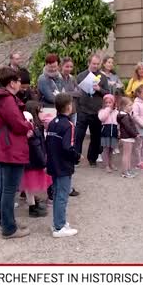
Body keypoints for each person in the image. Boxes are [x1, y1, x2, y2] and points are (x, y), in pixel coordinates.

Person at [0, 66, 33, 239]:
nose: (20, 84)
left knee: (2, 188)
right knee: (8, 190)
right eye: (18, 81)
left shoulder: (2, 97)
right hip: (10, 149)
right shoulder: (7, 100)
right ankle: (9, 228)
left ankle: (7, 222)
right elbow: (17, 124)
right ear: (11, 83)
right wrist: (29, 125)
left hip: (4, 148)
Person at [46, 93, 81, 238]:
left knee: (57, 194)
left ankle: (58, 222)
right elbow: (68, 147)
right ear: (68, 107)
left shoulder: (53, 122)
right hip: (63, 166)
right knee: (62, 196)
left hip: (53, 163)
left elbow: (48, 142)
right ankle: (59, 227)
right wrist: (77, 157)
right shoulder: (68, 125)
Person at [75, 54, 109, 167]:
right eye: (93, 63)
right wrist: (77, 108)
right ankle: (76, 158)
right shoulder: (81, 76)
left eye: (97, 64)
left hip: (96, 111)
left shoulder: (102, 77)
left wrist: (99, 89)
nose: (95, 66)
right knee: (78, 136)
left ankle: (92, 158)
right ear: (89, 63)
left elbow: (107, 93)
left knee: (96, 137)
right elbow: (76, 93)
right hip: (83, 110)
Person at [20, 101, 50, 218]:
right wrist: (43, 161)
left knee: (29, 186)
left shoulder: (34, 128)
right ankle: (32, 208)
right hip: (33, 161)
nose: (41, 113)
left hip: (30, 160)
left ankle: (33, 204)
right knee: (30, 186)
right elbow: (36, 146)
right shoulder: (33, 130)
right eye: (39, 111)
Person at [117, 97, 138, 178]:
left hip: (128, 137)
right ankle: (125, 172)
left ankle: (128, 170)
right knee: (126, 155)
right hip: (127, 138)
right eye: (129, 105)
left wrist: (135, 133)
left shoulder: (125, 115)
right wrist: (135, 134)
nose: (131, 107)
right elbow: (128, 127)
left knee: (128, 155)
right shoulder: (125, 116)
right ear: (124, 106)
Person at [98, 94, 119, 173]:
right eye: (106, 103)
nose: (108, 104)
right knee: (106, 149)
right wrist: (107, 110)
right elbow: (101, 118)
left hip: (114, 131)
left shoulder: (116, 112)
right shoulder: (102, 111)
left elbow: (119, 122)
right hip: (105, 132)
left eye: (110, 102)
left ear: (113, 103)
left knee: (111, 149)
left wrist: (119, 130)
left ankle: (111, 163)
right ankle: (106, 165)